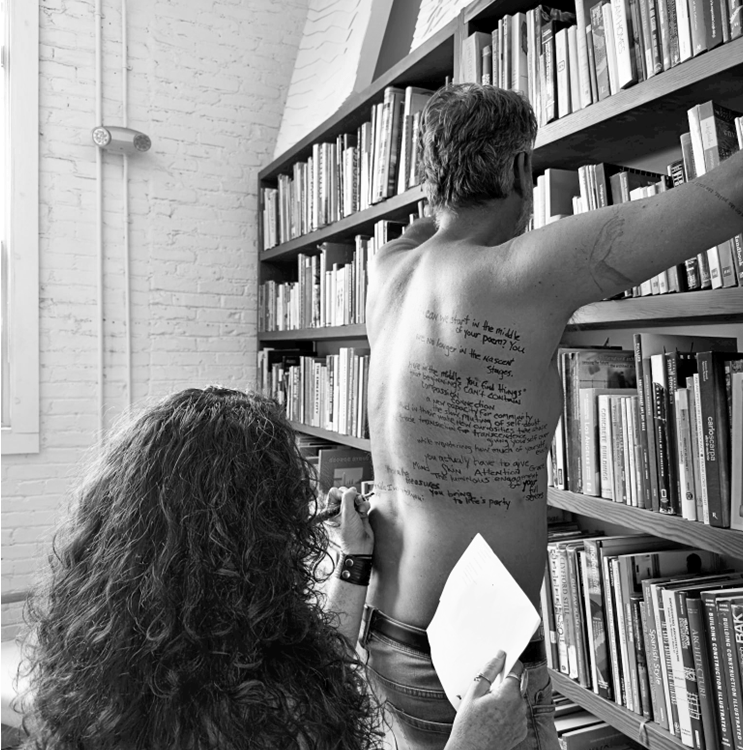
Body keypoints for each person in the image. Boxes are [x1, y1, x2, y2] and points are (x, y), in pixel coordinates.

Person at [363, 83, 743, 750]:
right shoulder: (522, 269)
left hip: (386, 629)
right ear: (520, 169)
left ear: (432, 177)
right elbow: (723, 199)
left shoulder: (387, 266)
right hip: (474, 662)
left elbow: (437, 220)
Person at [16, 386, 529, 750]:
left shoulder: (105, 643)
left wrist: (354, 560)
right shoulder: (262, 712)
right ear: (259, 533)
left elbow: (309, 666)